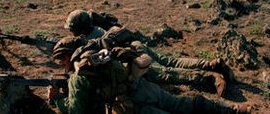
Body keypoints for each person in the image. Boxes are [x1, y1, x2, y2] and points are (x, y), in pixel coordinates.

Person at [48, 36, 251, 114]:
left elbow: (76, 110)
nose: (63, 65)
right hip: (144, 87)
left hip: (131, 106)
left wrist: (58, 99)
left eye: (62, 59)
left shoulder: (80, 76)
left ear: (69, 56)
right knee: (182, 103)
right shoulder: (102, 54)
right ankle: (234, 111)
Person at [63, 10, 234, 97]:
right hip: (136, 45)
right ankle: (212, 64)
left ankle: (209, 78)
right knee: (170, 61)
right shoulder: (99, 29)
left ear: (77, 29)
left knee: (167, 74)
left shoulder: (88, 41)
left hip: (134, 57)